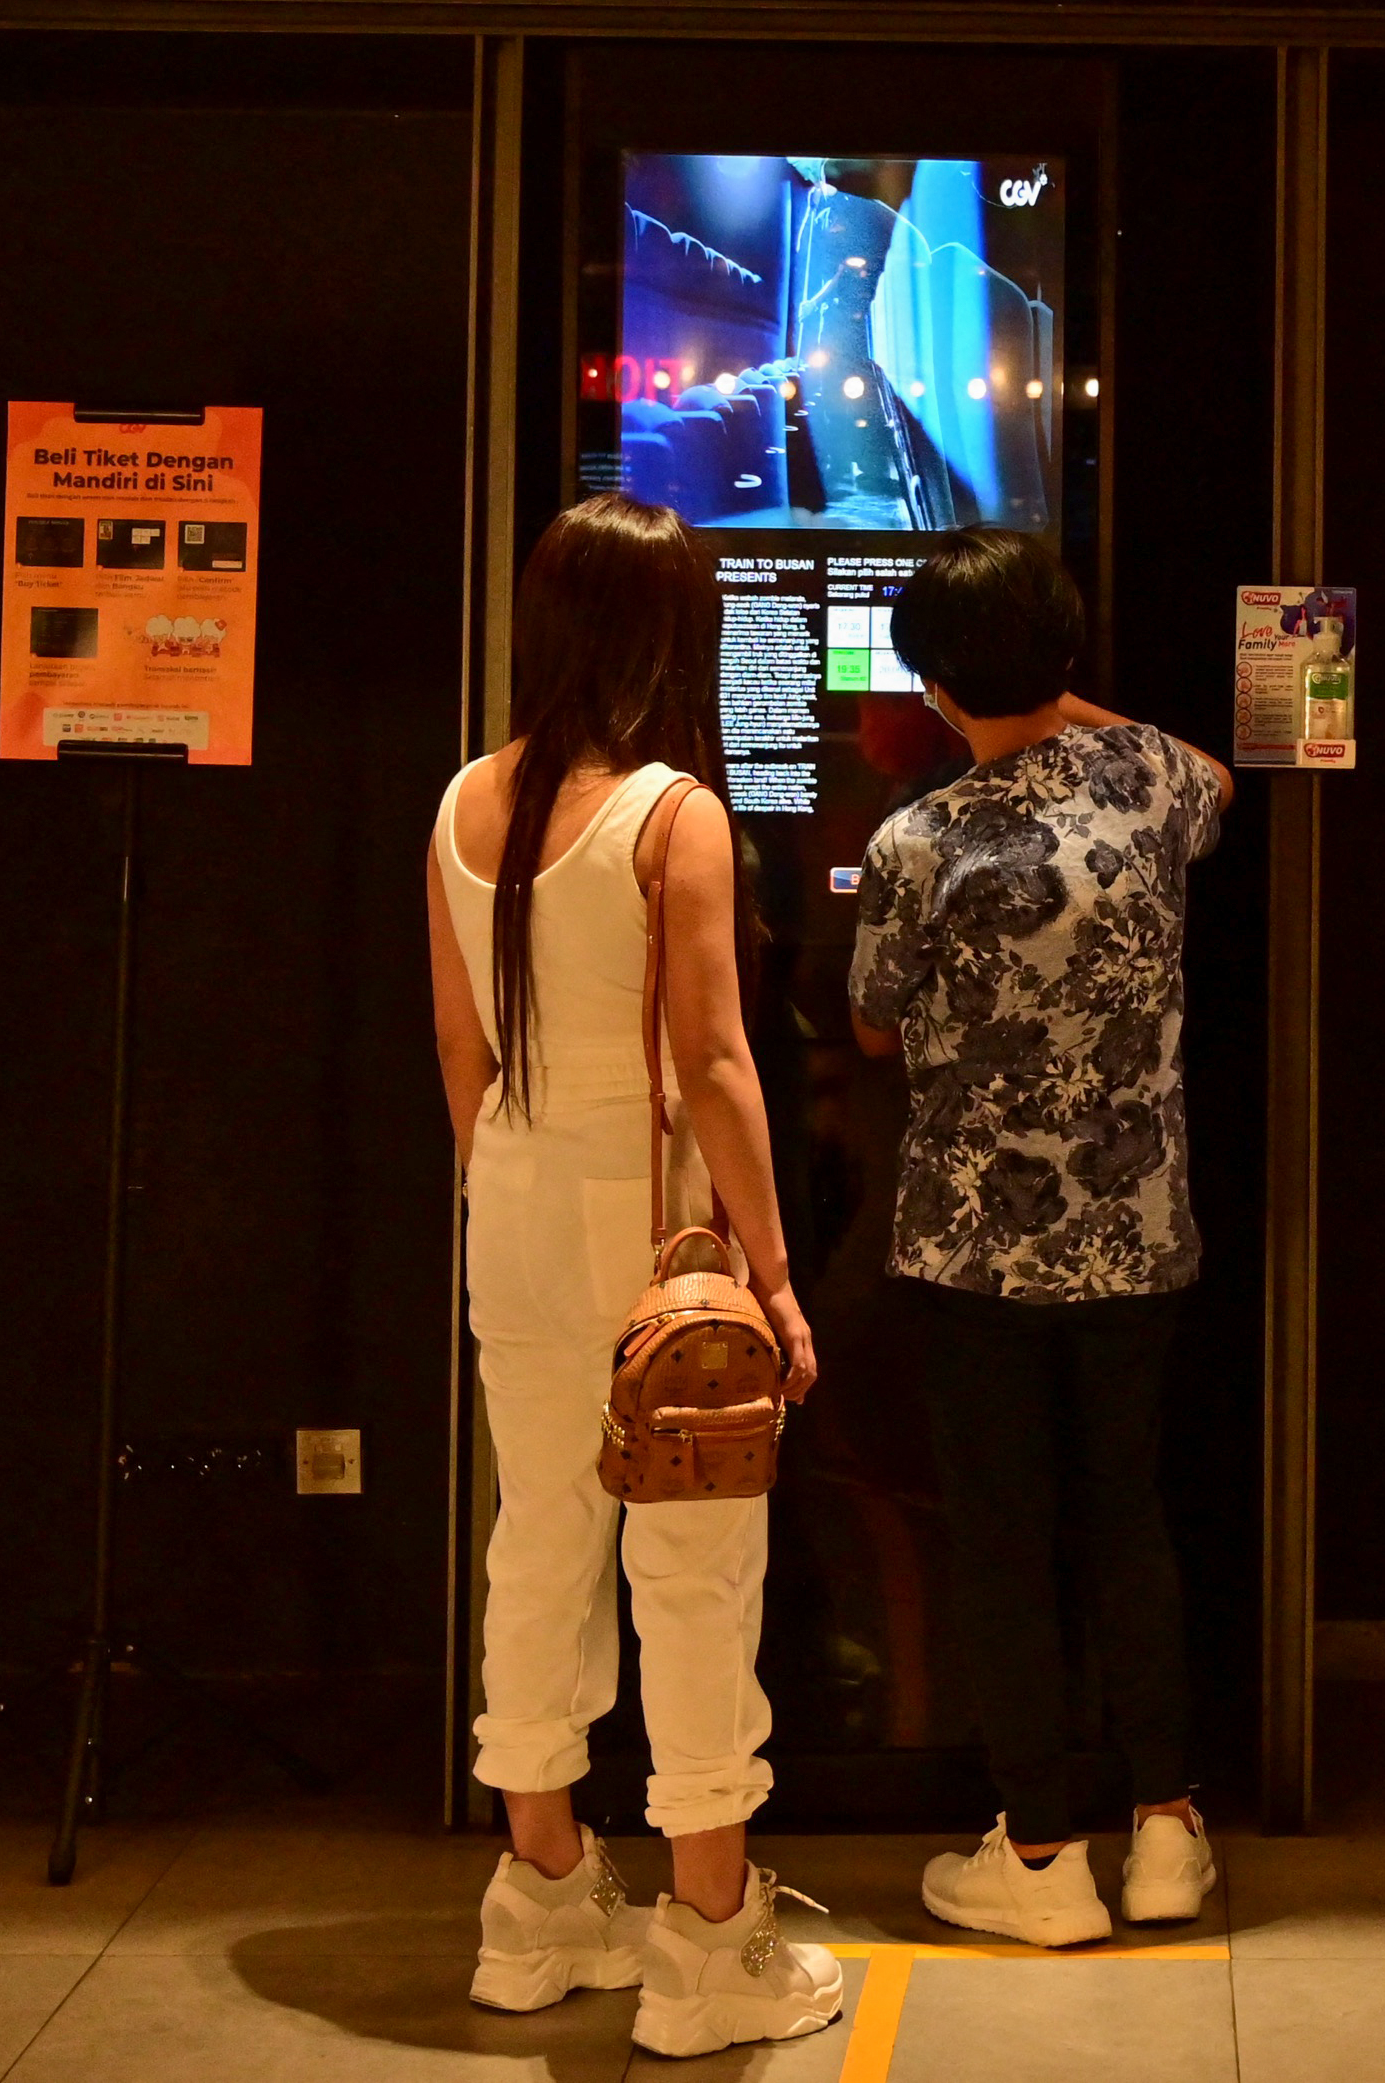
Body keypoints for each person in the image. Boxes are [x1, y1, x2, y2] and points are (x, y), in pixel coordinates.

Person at [425, 495, 847, 2058]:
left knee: (537, 1536)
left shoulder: (467, 800)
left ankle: (537, 1909)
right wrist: (778, 1277)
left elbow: (462, 1054)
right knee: (693, 1566)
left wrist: (510, 1184)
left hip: (514, 1197)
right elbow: (719, 1061)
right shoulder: (674, 812)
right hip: (653, 1217)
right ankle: (709, 1942)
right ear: (672, 630)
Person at [848, 527, 1234, 1947]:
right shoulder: (1148, 785)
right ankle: (1169, 1829)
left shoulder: (917, 843)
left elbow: (875, 1024)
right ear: (1066, 658)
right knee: (1126, 1517)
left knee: (1004, 1539)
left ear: (935, 684)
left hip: (973, 1248)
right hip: (1138, 1231)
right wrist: (1063, 694)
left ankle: (1038, 1858)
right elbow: (1220, 779)